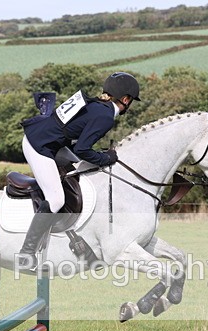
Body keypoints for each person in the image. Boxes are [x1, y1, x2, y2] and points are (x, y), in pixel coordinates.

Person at [17, 72, 141, 270]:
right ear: (126, 99)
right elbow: (82, 149)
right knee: (56, 198)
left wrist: (100, 157)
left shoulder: (97, 106)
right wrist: (107, 158)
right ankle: (26, 254)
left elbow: (78, 146)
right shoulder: (105, 116)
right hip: (38, 145)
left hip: (48, 140)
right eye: (131, 100)